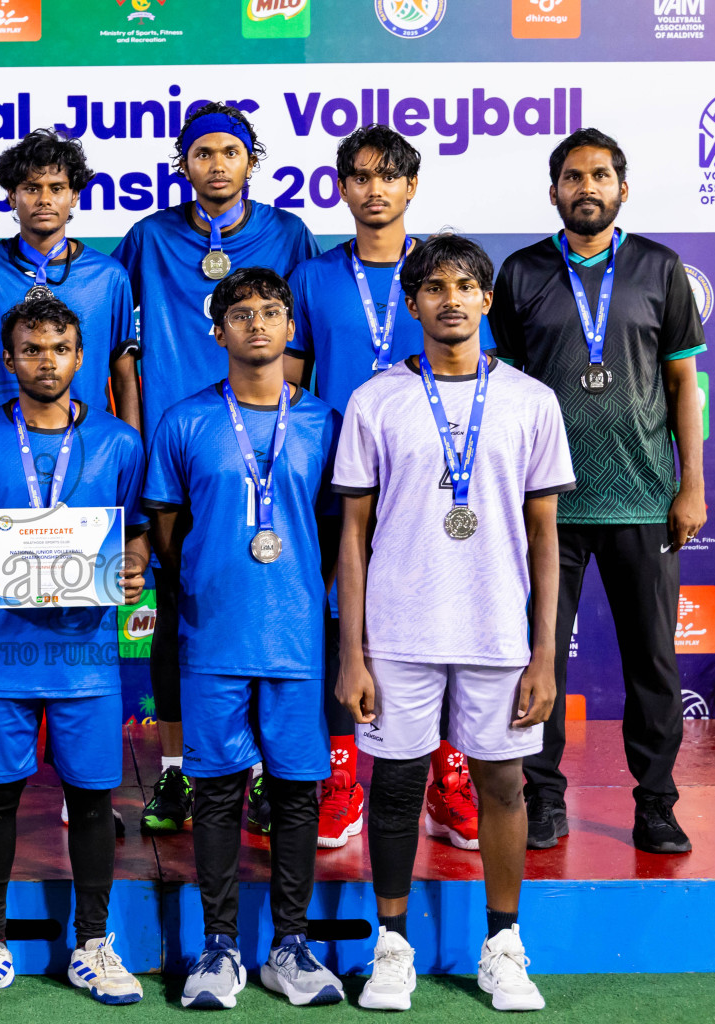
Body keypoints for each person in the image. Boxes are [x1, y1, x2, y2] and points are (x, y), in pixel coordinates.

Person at [334, 234, 573, 1013]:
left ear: (487, 299)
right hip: (398, 631)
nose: (450, 300)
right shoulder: (375, 401)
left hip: (498, 630)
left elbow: (546, 538)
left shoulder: (533, 400)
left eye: (466, 286)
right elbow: (353, 535)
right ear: (411, 304)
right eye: (433, 287)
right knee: (397, 786)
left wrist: (544, 655)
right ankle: (392, 947)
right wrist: (353, 652)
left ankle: (503, 946)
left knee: (503, 785)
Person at [490, 128, 706, 855]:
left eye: (602, 175)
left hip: (644, 500)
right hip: (544, 505)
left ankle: (656, 804)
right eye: (574, 177)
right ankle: (543, 797)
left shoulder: (660, 268)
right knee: (536, 656)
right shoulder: (520, 273)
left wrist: (689, 486)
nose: (588, 187)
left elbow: (683, 385)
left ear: (623, 188)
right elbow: (506, 393)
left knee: (653, 660)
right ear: (553, 191)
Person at [0, 295, 148, 1007]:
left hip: (87, 658)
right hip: (2, 655)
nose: (45, 360)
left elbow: (140, 532)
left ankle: (91, 943)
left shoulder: (118, 441)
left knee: (91, 803)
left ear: (80, 357)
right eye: (30, 348)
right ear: (9, 359)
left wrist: (136, 565)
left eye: (58, 348)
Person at [111, 101, 320, 836]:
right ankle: (176, 776)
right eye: (203, 153)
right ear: (185, 165)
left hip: (267, 449)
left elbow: (304, 336)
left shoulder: (289, 233)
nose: (217, 164)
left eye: (231, 151)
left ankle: (264, 772)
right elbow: (106, 322)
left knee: (270, 620)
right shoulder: (148, 236)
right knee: (179, 617)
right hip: (184, 451)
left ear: (250, 161)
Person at [287, 125, 492, 852]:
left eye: (389, 176)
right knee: (337, 619)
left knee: (441, 610)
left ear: (412, 187)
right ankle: (340, 773)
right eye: (360, 176)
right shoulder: (311, 276)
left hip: (431, 472)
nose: (374, 188)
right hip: (333, 475)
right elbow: (289, 378)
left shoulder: (441, 274)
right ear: (340, 188)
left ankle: (448, 770)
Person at [144, 268, 343, 1010]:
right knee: (219, 792)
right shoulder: (185, 421)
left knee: (294, 792)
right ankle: (219, 947)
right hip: (214, 635)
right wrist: (211, 574)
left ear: (292, 328)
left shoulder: (324, 422)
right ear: (216, 329)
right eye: (240, 313)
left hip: (296, 634)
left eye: (271, 312)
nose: (257, 324)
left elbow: (335, 529)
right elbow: (165, 529)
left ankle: (290, 945)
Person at [0, 128, 138, 421]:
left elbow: (124, 375)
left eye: (57, 188)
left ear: (74, 195)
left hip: (89, 446)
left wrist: (132, 450)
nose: (44, 199)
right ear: (12, 195)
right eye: (32, 188)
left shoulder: (109, 276)